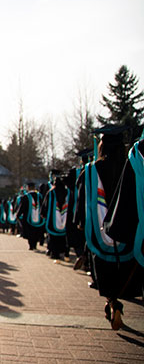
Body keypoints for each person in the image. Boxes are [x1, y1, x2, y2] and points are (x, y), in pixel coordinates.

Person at [75, 126, 142, 330]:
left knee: (105, 269)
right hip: (128, 230)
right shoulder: (131, 165)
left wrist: (79, 222)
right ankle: (117, 301)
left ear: (102, 145)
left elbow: (83, 198)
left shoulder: (91, 171)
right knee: (125, 270)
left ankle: (113, 302)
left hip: (100, 231)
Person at [17, 182, 43, 250]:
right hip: (38, 218)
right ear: (34, 188)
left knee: (29, 232)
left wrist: (18, 214)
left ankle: (31, 245)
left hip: (28, 218)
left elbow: (21, 207)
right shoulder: (39, 196)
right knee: (36, 231)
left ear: (28, 188)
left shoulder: (25, 197)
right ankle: (35, 245)